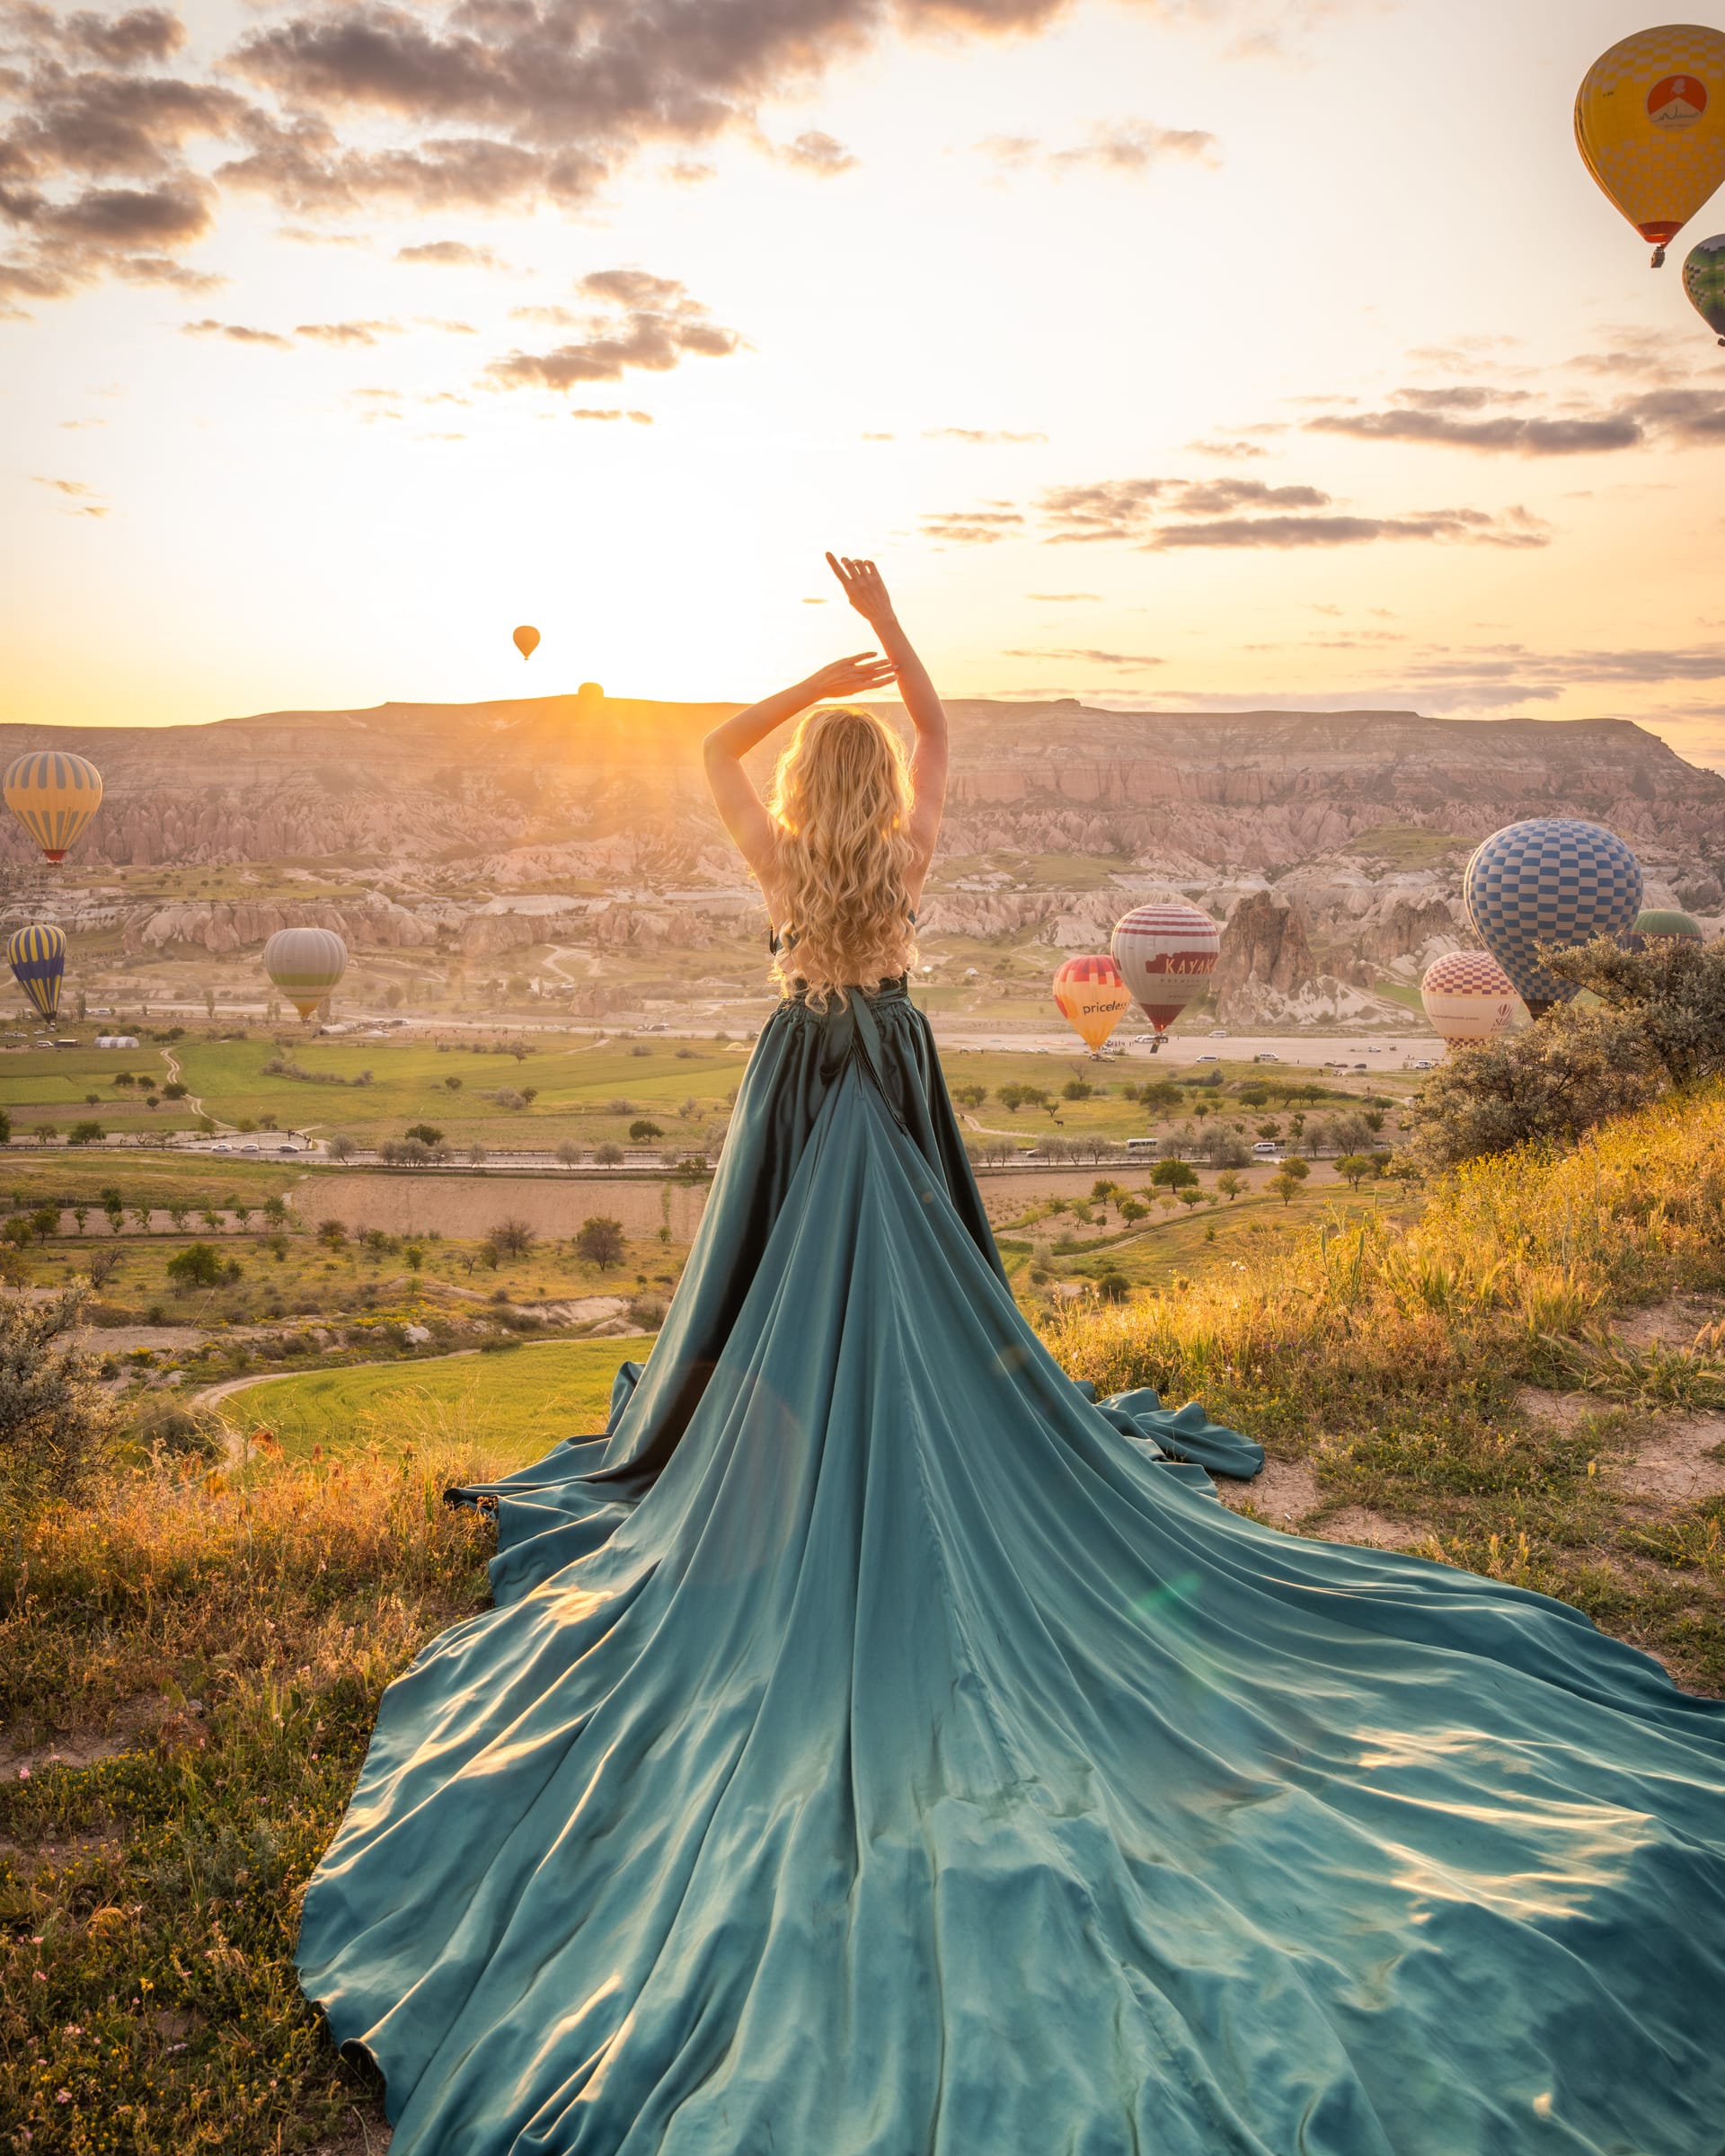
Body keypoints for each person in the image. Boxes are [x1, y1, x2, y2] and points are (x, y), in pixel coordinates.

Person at [299, 557, 1725, 2156]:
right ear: (886, 793)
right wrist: (892, 649)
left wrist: (802, 697)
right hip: (893, 1080)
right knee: (926, 1289)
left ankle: (775, 1445)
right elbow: (941, 724)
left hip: (802, 1081)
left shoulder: (776, 853)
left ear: (802, 789)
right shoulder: (906, 856)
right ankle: (927, 1429)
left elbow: (706, 754)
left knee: (778, 1288)